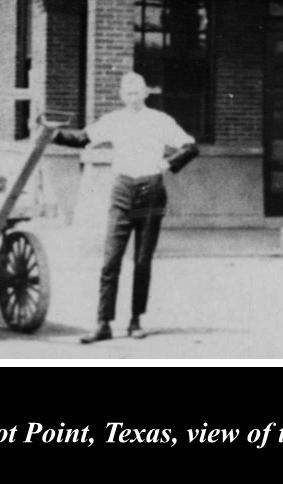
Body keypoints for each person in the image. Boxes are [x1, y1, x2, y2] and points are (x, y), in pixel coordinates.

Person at [55, 72, 199, 343]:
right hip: (122, 191)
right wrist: (52, 134)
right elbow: (83, 138)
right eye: (128, 92)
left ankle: (136, 320)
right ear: (121, 95)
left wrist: (168, 164)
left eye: (138, 92)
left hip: (151, 192)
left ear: (146, 93)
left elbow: (191, 146)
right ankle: (103, 323)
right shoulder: (113, 121)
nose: (133, 97)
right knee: (110, 260)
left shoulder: (160, 121)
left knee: (142, 261)